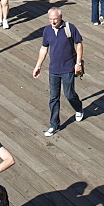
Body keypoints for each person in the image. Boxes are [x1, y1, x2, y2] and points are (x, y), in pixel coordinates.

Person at [32, 7, 84, 136]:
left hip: (68, 68)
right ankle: (54, 124)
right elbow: (44, 48)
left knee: (69, 94)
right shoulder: (47, 30)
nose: (53, 22)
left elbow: (79, 43)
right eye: (50, 19)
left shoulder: (69, 28)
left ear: (60, 17)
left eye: (55, 19)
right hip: (53, 69)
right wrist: (38, 66)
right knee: (53, 97)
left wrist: (78, 63)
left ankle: (78, 108)